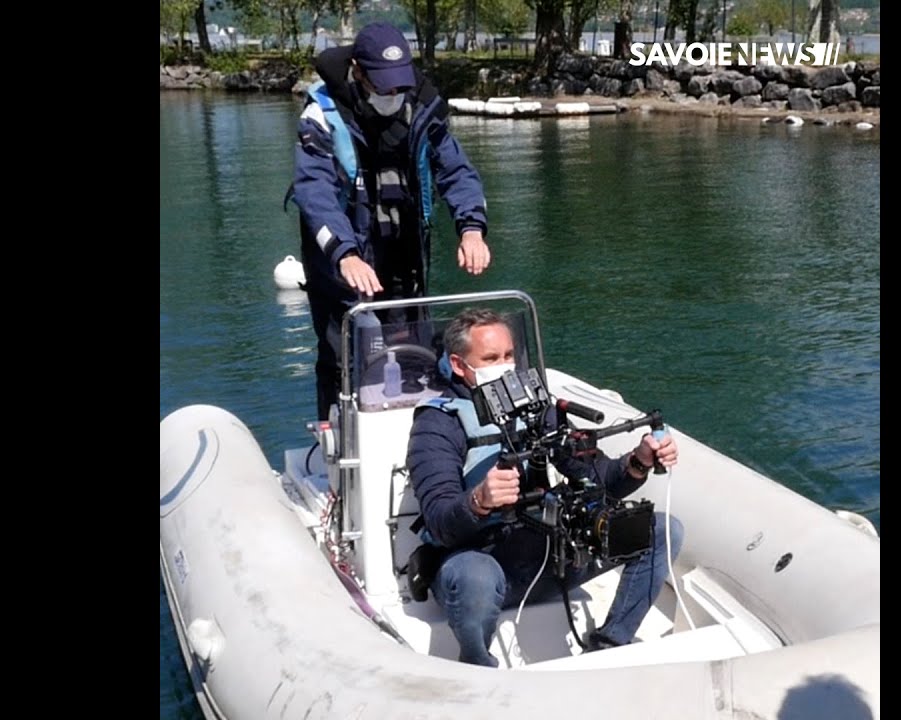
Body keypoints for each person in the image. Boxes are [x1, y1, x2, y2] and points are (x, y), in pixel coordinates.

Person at [405, 308, 684, 667]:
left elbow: (594, 477)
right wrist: (478, 500)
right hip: (482, 562)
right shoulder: (437, 425)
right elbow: (440, 519)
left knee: (662, 529)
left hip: (550, 556)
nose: (504, 366)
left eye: (508, 355)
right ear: (459, 365)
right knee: (475, 577)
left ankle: (610, 644)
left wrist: (639, 461)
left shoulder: (538, 409)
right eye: (490, 358)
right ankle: (478, 672)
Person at [286, 22, 492, 420]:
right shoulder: (322, 116)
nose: (393, 95)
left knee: (412, 349)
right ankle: (339, 455)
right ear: (358, 73)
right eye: (384, 87)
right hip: (341, 258)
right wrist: (345, 254)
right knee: (342, 355)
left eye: (400, 86)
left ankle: (421, 438)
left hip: (402, 249)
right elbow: (315, 192)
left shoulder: (423, 107)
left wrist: (471, 228)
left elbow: (456, 171)